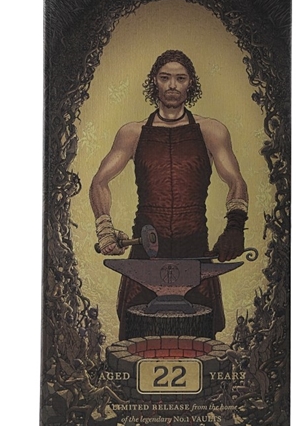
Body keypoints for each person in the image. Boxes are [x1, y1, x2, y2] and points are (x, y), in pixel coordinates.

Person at [90, 50, 249, 339]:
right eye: (165, 78)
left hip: (196, 255)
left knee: (201, 346)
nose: (172, 85)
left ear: (191, 83)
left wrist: (235, 228)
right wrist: (105, 229)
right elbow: (99, 182)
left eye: (180, 78)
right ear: (155, 82)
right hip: (144, 258)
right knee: (135, 345)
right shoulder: (132, 133)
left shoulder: (212, 131)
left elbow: (236, 180)